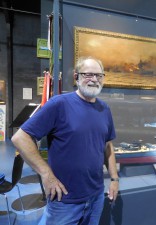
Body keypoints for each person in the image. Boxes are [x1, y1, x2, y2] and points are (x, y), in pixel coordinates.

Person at [11, 56, 119, 225]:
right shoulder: (59, 104)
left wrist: (114, 179)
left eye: (99, 75)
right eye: (88, 74)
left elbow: (107, 146)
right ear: (76, 77)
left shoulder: (104, 109)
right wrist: (47, 174)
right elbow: (20, 138)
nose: (94, 80)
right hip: (65, 200)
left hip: (96, 196)